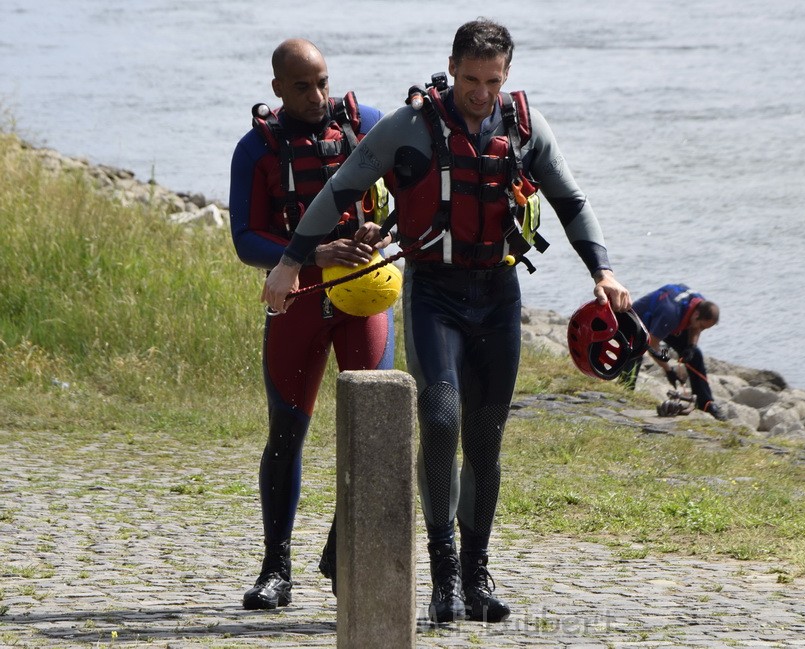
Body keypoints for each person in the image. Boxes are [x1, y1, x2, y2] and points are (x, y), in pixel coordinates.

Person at [260, 19, 631, 623]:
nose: (480, 92)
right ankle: (444, 572)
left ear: (506, 74)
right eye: (469, 79)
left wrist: (603, 271)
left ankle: (478, 573)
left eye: (492, 80)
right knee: (439, 416)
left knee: (485, 439)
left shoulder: (526, 128)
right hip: (435, 294)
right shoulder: (411, 127)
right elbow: (338, 188)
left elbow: (571, 201)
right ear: (452, 68)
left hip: (498, 294)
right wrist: (289, 262)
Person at [228, 38, 394, 610]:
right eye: (302, 87)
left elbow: (409, 199)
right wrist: (314, 254)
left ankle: (341, 547)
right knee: (286, 434)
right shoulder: (256, 150)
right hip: (298, 302)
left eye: (322, 82)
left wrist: (381, 232)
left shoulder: (367, 127)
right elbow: (246, 240)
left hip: (363, 299)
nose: (317, 95)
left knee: (376, 430)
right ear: (277, 88)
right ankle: (276, 569)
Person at [621, 283, 726, 421]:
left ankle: (706, 403)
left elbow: (696, 328)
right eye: (701, 326)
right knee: (637, 351)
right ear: (696, 314)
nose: (701, 330)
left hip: (668, 322)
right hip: (639, 321)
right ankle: (624, 392)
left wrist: (691, 347)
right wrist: (669, 370)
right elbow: (652, 344)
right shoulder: (670, 313)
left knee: (696, 356)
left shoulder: (700, 303)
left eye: (705, 328)